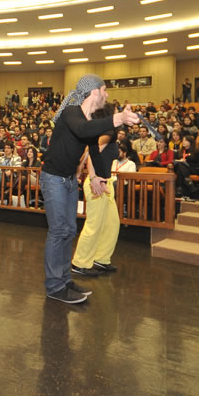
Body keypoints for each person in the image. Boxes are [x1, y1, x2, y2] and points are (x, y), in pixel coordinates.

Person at [40, 73, 139, 304]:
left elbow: (93, 148)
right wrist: (117, 118)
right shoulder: (71, 112)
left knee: (69, 230)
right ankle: (54, 286)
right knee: (58, 231)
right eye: (104, 90)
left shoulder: (89, 118)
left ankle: (65, 280)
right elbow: (82, 130)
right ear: (94, 92)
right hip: (53, 179)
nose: (107, 94)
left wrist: (96, 177)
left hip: (68, 181)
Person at [71, 107, 121, 277]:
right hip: (98, 184)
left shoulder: (104, 133)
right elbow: (93, 152)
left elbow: (88, 150)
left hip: (107, 183)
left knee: (112, 223)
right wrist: (93, 178)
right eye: (116, 111)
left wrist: (79, 169)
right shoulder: (108, 132)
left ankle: (101, 258)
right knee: (94, 225)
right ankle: (80, 263)